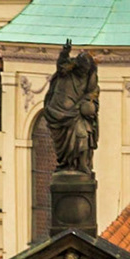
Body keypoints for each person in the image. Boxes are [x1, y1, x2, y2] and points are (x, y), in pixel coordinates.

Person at [43, 40, 100, 174]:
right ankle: (66, 163)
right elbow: (61, 67)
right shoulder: (68, 71)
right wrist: (64, 53)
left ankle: (82, 164)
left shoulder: (91, 76)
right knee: (66, 144)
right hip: (58, 111)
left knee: (83, 134)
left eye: (86, 71)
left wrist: (87, 104)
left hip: (76, 113)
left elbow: (92, 93)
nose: (83, 73)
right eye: (82, 70)